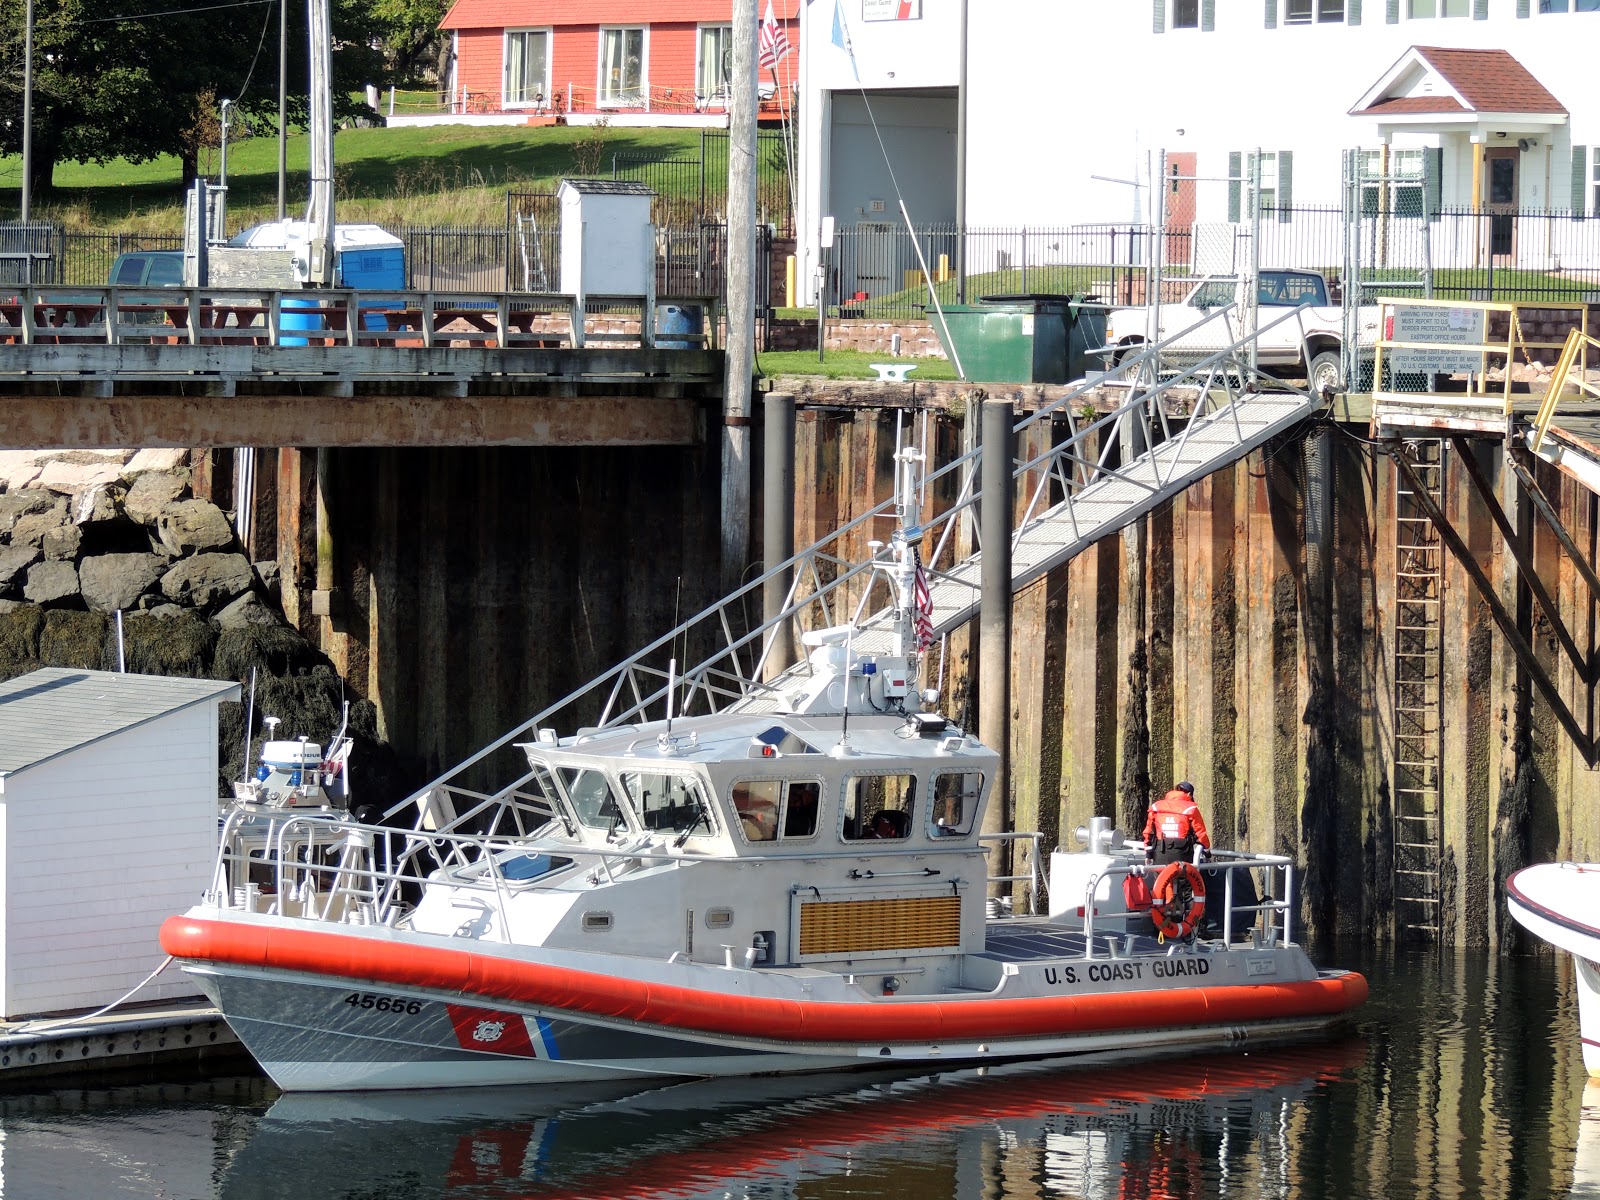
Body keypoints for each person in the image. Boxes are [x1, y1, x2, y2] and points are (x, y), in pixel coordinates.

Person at [1143, 781, 1210, 866]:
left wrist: (1148, 855)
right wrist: (1207, 852)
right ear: (1189, 794)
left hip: (1160, 852)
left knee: (1161, 878)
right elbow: (1200, 833)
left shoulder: (1156, 807)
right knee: (1182, 878)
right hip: (1183, 853)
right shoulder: (1191, 808)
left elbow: (1148, 833)